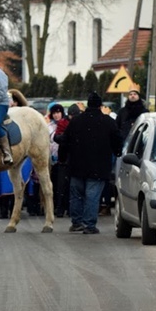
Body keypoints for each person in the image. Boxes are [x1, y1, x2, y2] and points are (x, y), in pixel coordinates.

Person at [61, 92, 123, 234]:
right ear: (101, 106)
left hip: (77, 165)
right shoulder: (108, 122)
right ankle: (89, 224)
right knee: (92, 196)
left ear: (88, 105)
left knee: (76, 195)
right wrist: (117, 151)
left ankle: (76, 222)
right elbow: (117, 140)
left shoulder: (76, 121)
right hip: (98, 166)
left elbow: (65, 140)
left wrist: (63, 157)